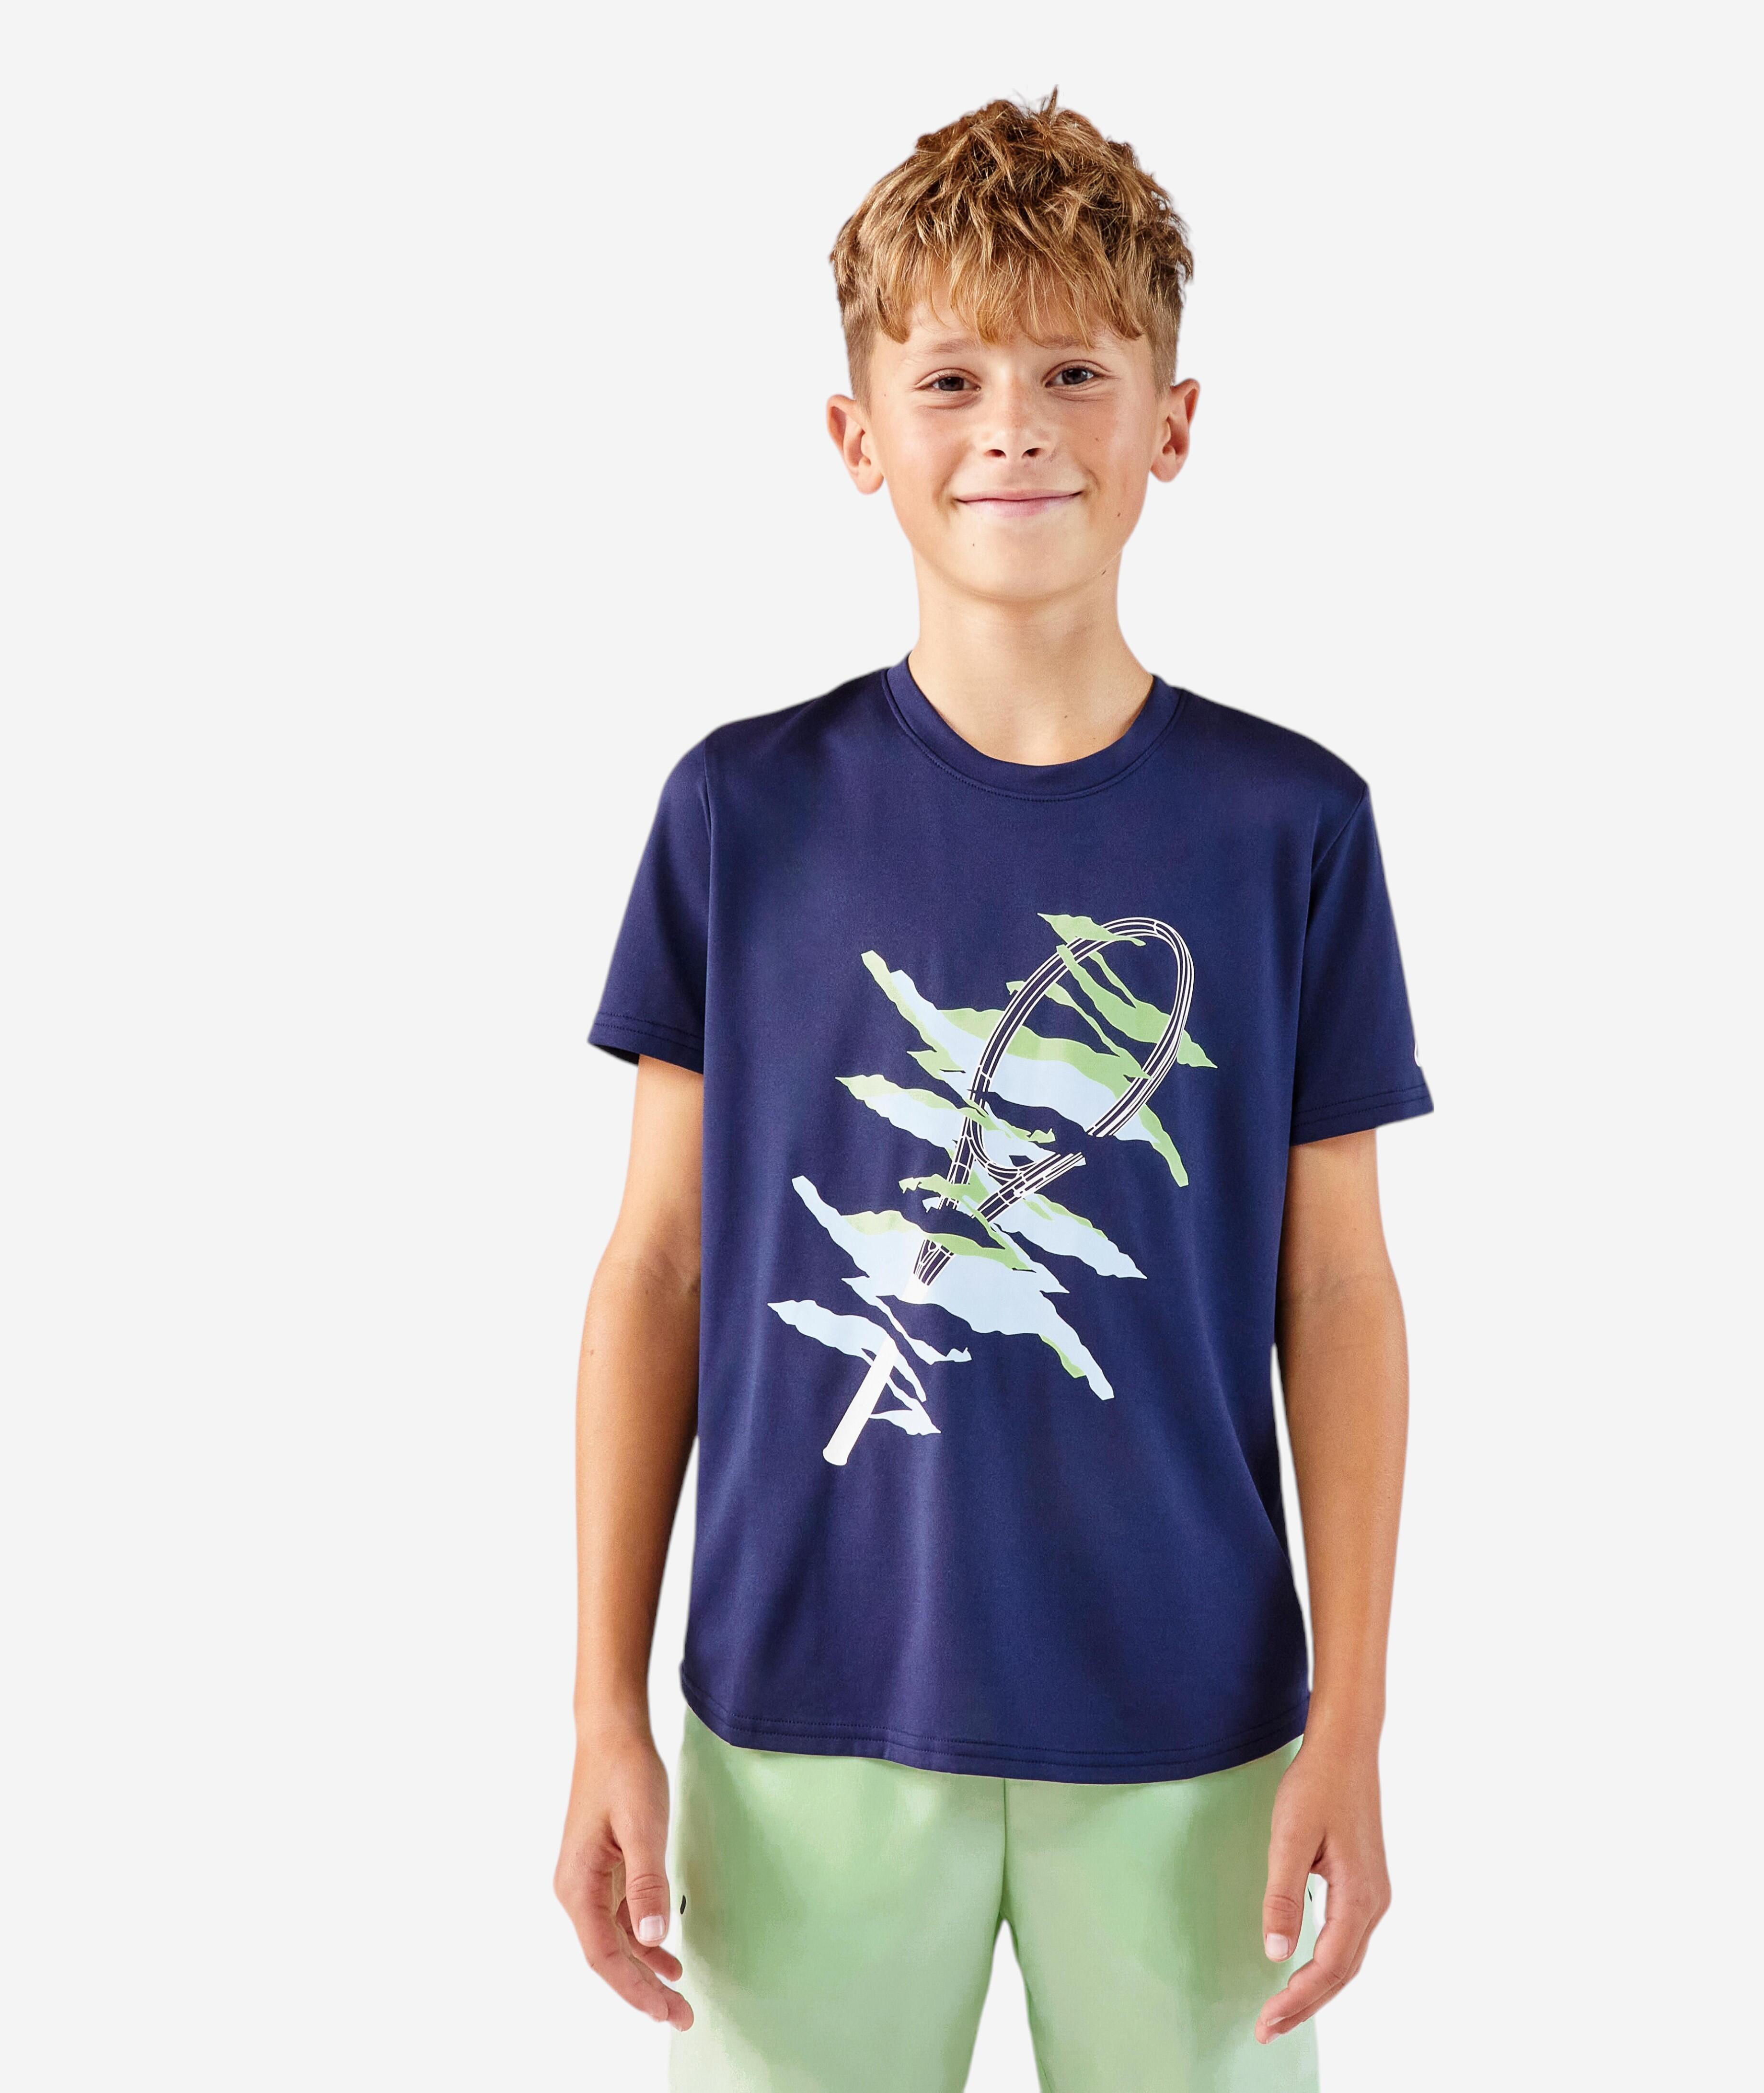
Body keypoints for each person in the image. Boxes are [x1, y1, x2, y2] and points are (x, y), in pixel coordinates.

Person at [553, 93, 1432, 2092]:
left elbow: (1339, 1294)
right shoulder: (741, 813)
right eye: (950, 377)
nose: (1014, 428)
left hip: (1196, 1730)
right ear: (858, 435)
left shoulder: (1291, 827)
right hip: (801, 1715)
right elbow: (659, 1270)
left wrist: (1356, 1724)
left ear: (1172, 425)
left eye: (1073, 374)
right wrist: (603, 1704)